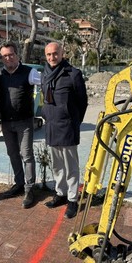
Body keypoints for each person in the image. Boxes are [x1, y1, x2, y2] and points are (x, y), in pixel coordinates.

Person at [42, 42, 88, 219]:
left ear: (62, 54)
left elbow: (82, 102)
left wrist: (74, 121)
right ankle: (60, 194)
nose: (52, 58)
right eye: (48, 55)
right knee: (57, 165)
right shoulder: (45, 74)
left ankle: (72, 199)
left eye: (55, 54)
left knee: (71, 167)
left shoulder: (73, 74)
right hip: (51, 126)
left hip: (67, 127)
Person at [0, 41, 41, 209]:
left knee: (27, 155)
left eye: (11, 54)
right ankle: (19, 184)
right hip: (6, 123)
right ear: (1, 58)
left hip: (25, 122)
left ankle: (30, 189)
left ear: (17, 55)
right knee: (13, 154)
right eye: (5, 56)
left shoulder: (30, 72)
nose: (8, 58)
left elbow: (47, 85)